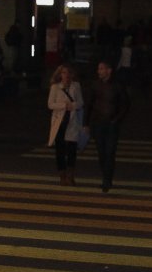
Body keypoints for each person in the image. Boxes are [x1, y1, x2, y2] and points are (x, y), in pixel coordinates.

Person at [87, 59, 130, 192]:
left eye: (101, 69)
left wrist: (117, 119)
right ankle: (106, 176)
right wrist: (86, 123)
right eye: (98, 69)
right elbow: (90, 104)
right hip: (98, 123)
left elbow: (125, 104)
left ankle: (107, 180)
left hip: (111, 124)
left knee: (110, 152)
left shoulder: (117, 85)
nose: (99, 71)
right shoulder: (95, 85)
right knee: (101, 152)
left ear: (109, 70)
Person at [46, 63, 84, 186]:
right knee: (60, 150)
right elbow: (50, 104)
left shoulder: (76, 86)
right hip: (60, 122)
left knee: (72, 149)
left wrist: (73, 105)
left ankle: (70, 175)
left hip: (72, 121)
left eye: (68, 73)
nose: (66, 75)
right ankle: (62, 176)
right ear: (60, 75)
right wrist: (63, 105)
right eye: (63, 73)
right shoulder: (55, 87)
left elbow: (81, 102)